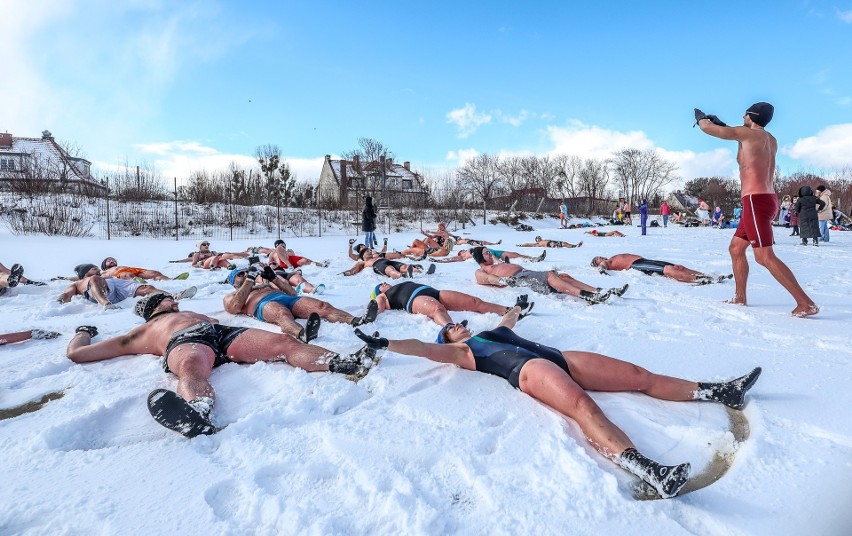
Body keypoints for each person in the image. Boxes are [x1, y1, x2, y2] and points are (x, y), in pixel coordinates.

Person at [352, 307, 762, 498]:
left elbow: (510, 320)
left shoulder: (493, 329)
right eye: (452, 328)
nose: (457, 324)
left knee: (639, 376)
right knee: (584, 407)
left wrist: (516, 308)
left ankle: (717, 391)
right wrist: (388, 343)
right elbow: (424, 348)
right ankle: (649, 469)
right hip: (529, 370)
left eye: (459, 322)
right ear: (451, 340)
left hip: (559, 356)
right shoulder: (462, 352)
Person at [65, 294, 377, 437]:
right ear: (151, 310)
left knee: (282, 344)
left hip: (221, 333)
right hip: (185, 342)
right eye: (164, 300)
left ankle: (342, 363)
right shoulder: (142, 331)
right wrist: (83, 332)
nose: (172, 300)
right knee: (190, 366)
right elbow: (78, 354)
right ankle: (198, 414)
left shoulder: (198, 314)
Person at [695, 102, 819, 317]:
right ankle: (740, 297)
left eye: (745, 114)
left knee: (764, 257)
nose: (742, 116)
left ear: (751, 116)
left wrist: (701, 118)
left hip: (755, 200)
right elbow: (744, 152)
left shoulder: (746, 134)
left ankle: (805, 303)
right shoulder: (770, 140)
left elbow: (707, 129)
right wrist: (726, 126)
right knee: (736, 249)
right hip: (765, 199)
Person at [223, 266, 378, 341]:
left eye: (245, 272)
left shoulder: (262, 284)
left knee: (322, 306)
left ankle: (356, 320)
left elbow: (292, 293)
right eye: (239, 274)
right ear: (233, 282)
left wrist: (273, 278)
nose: (244, 274)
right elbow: (236, 306)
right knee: (282, 313)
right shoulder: (230, 296)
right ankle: (302, 334)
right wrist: (249, 279)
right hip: (262, 305)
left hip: (286, 298)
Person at [471, 247, 626, 304]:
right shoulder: (481, 271)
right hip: (520, 279)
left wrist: (499, 261)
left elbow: (501, 262)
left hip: (525, 273)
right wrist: (503, 280)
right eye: (486, 253)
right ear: (480, 257)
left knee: (564, 276)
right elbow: (488, 279)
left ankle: (598, 291)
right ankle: (587, 296)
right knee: (551, 276)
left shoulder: (494, 263)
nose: (490, 254)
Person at [371, 281, 533, 327]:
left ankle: (508, 310)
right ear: (379, 291)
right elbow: (377, 307)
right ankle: (450, 330)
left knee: (474, 302)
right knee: (436, 309)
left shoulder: (397, 284)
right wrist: (371, 313)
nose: (385, 284)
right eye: (381, 285)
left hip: (435, 292)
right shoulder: (383, 296)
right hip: (413, 300)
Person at [57, 264, 196, 308]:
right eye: (93, 268)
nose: (97, 269)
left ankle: (172, 296)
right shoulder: (77, 283)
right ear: (84, 272)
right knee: (95, 279)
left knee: (146, 288)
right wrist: (62, 299)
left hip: (115, 284)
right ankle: (106, 304)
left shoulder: (105, 275)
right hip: (101, 291)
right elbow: (67, 294)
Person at [591, 254, 729, 284]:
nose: (600, 258)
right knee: (668, 270)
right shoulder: (607, 262)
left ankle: (706, 275)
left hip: (643, 260)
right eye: (597, 259)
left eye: (599, 256)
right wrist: (601, 269)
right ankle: (697, 280)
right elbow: (603, 267)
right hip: (636, 266)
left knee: (677, 266)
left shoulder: (612, 256)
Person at [342, 249, 433, 279]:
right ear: (362, 256)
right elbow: (354, 269)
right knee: (390, 269)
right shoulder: (363, 262)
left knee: (404, 266)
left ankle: (421, 273)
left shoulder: (377, 256)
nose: (370, 252)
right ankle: (401, 276)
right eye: (367, 252)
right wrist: (347, 273)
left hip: (385, 260)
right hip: (378, 265)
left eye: (370, 251)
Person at [100, 257, 188, 282]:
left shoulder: (120, 265)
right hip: (120, 273)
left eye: (113, 260)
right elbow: (101, 277)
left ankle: (170, 280)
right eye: (109, 260)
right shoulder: (105, 271)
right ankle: (140, 283)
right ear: (104, 265)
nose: (112, 260)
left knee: (154, 272)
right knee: (127, 275)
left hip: (133, 269)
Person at [431, 247, 545, 264]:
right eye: (461, 251)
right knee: (498, 261)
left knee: (515, 254)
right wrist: (442, 260)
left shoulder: (470, 249)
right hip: (489, 255)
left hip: (494, 251)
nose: (462, 250)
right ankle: (504, 265)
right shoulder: (465, 254)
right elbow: (454, 258)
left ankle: (534, 259)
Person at [516, 236, 583, 248]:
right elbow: (528, 244)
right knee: (552, 243)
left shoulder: (544, 240)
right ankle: (555, 246)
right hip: (549, 244)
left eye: (540, 237)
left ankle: (574, 246)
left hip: (552, 242)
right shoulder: (537, 244)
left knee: (564, 243)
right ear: (536, 240)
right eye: (538, 238)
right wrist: (521, 245)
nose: (540, 238)